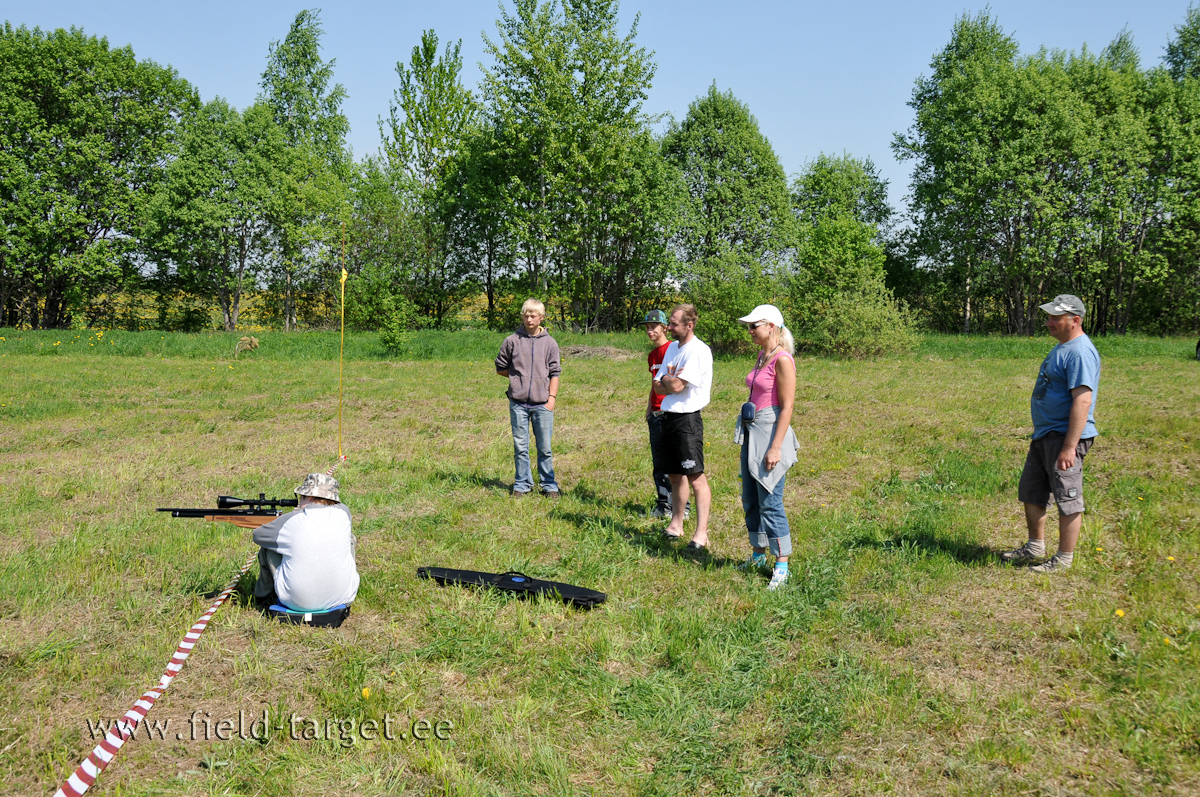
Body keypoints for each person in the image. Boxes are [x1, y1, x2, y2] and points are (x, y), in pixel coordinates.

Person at [1001, 294, 1100, 574]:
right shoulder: (1063, 346)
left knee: (1067, 498)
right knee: (1032, 492)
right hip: (1045, 434)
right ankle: (1034, 547)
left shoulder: (1080, 351)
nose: (1049, 322)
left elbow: (1082, 400)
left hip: (1063, 437)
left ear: (1075, 321)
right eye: (1049, 316)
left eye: (1056, 317)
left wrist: (1070, 447)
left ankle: (1064, 559)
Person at [735, 305, 800, 590]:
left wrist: (775, 448)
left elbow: (787, 407)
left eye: (754, 326)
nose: (750, 332)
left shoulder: (783, 360)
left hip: (770, 434)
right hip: (753, 433)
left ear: (771, 326)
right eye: (748, 327)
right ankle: (758, 554)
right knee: (750, 498)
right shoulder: (763, 355)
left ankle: (781, 565)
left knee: (770, 501)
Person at [252, 472, 360, 612]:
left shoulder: (291, 520)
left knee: (268, 548)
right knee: (349, 538)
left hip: (295, 602)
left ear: (308, 496)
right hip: (344, 598)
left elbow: (258, 536)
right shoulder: (344, 513)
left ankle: (262, 598)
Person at [653, 303, 713, 550]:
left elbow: (676, 387)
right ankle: (676, 525)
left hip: (687, 420)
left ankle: (701, 534)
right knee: (675, 475)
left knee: (695, 476)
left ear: (690, 325)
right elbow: (657, 386)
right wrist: (669, 380)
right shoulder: (673, 349)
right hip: (668, 416)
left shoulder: (698, 351)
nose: (669, 327)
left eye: (674, 324)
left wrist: (667, 379)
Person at [495, 298, 562, 498]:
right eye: (526, 315)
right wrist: (518, 379)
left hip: (543, 404)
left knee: (545, 448)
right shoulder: (512, 341)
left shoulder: (550, 343)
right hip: (518, 404)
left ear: (541, 317)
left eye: (533, 315)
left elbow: (555, 372)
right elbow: (501, 367)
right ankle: (522, 484)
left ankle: (549, 485)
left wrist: (551, 399)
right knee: (520, 447)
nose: (529, 319)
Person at [643, 309, 676, 518]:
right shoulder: (652, 355)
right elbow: (654, 384)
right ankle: (664, 505)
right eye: (647, 327)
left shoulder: (671, 350)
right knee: (659, 463)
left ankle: (680, 506)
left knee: (672, 463)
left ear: (664, 327)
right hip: (655, 414)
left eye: (653, 326)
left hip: (669, 413)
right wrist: (649, 409)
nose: (649, 331)